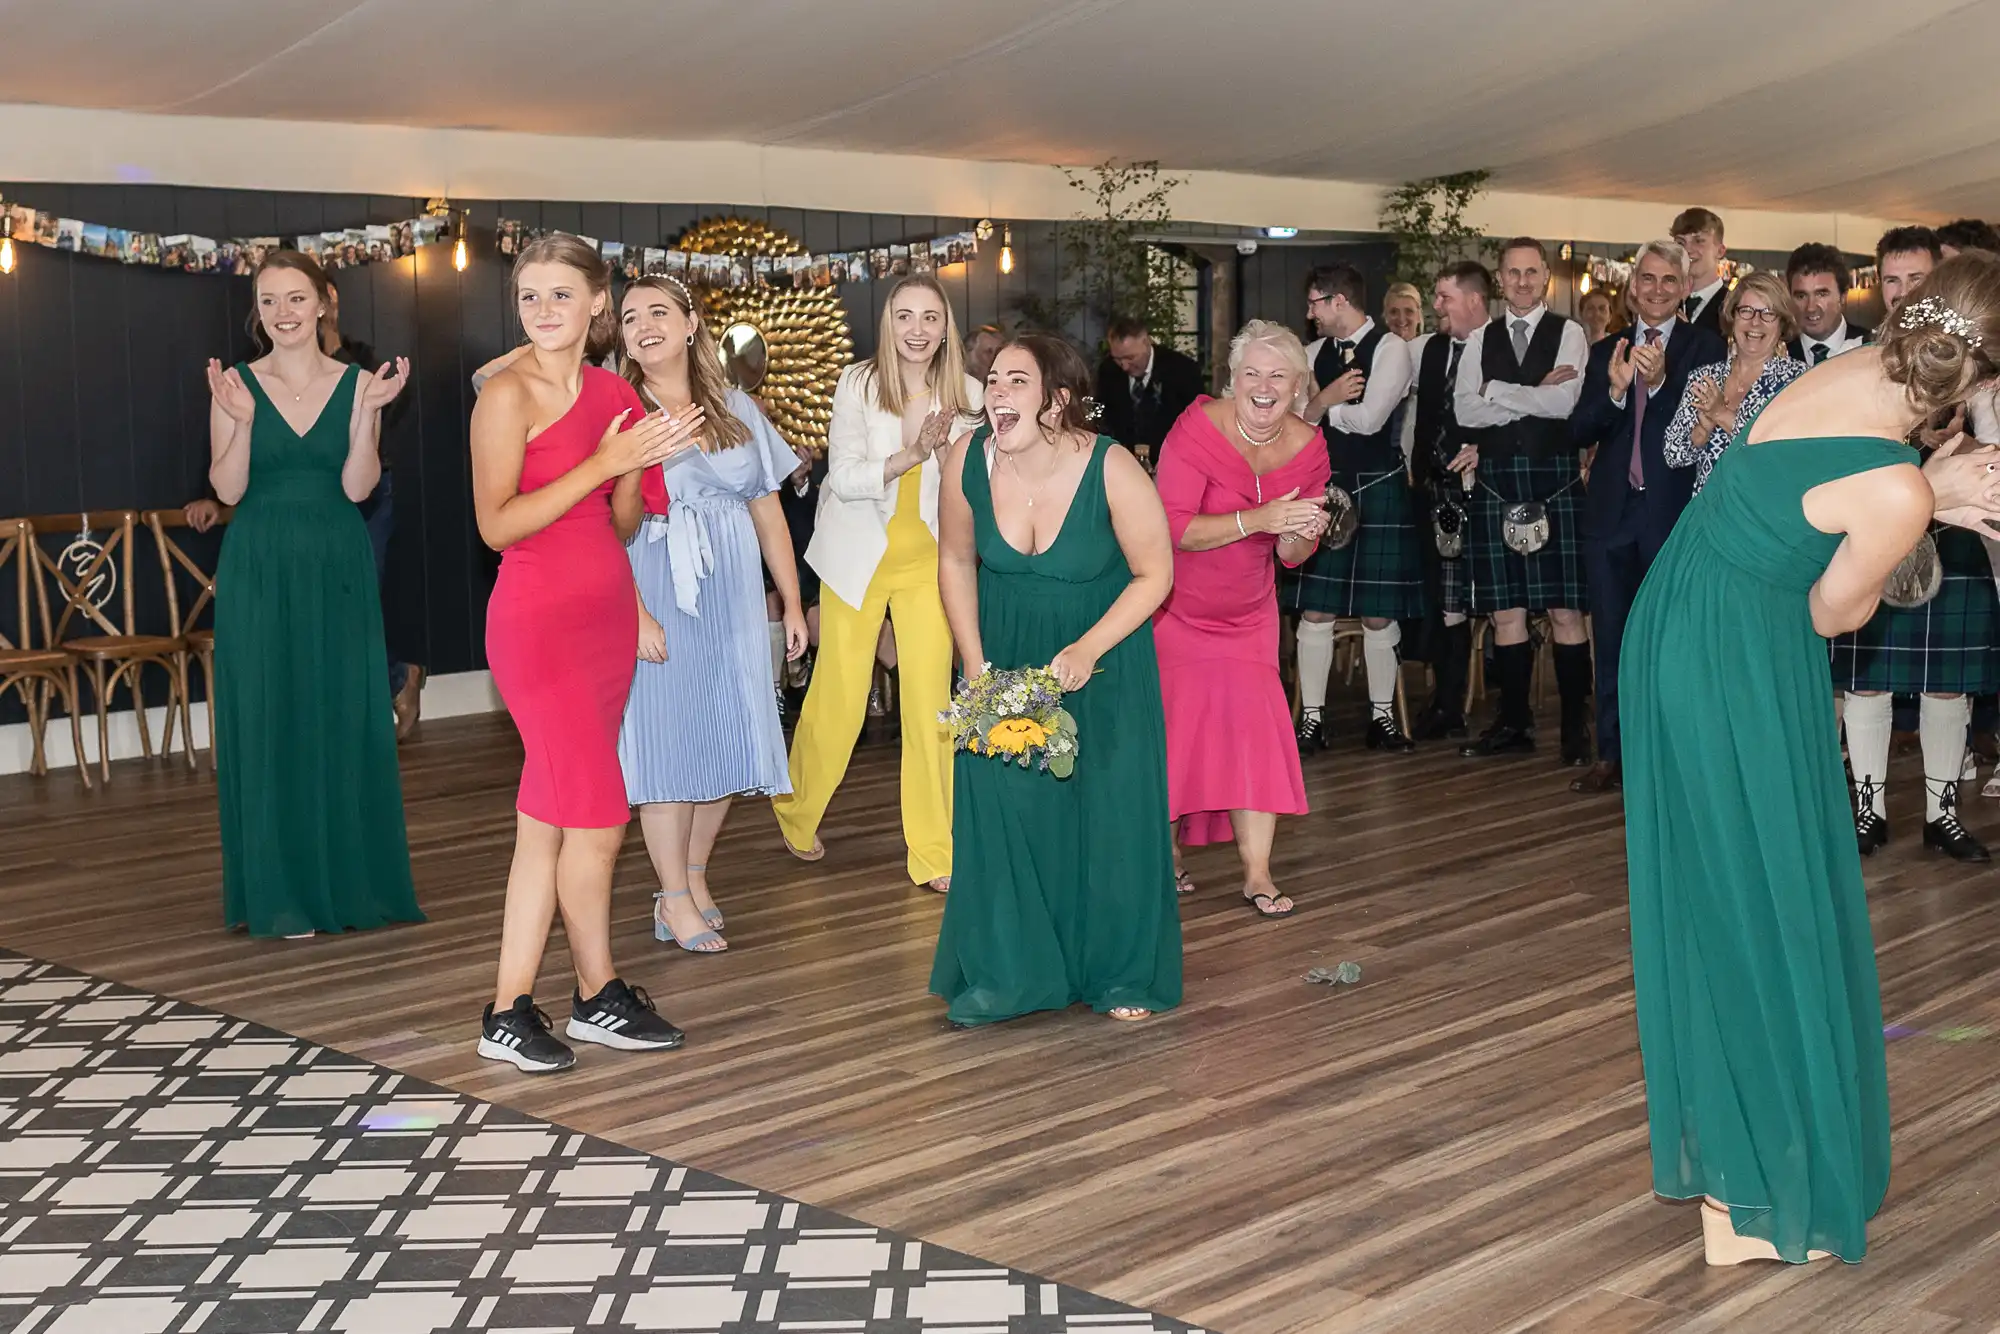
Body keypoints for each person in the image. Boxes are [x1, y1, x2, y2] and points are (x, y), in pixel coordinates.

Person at [1620, 251, 2000, 1265]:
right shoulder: (1893, 486)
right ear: (1977, 379)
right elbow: (1833, 610)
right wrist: (1922, 505)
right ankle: (1749, 1201)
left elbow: (1797, 506)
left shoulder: (1836, 375)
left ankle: (1737, 1173)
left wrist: (1920, 492)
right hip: (1736, 657)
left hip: (1680, 621)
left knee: (1727, 896)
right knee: (1760, 902)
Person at [470, 234, 695, 1074]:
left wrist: (636, 465)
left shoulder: (612, 394)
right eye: (530, 296)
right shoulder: (504, 395)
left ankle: (509, 1010)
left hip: (605, 624)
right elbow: (497, 524)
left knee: (545, 825)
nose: (543, 311)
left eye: (561, 295)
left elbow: (622, 522)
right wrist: (603, 460)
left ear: (599, 301)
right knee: (600, 820)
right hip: (537, 625)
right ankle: (596, 993)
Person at [930, 333, 1182, 1024]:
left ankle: (1122, 974)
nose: (996, 392)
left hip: (1099, 660)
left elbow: (1155, 574)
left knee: (1106, 814)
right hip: (1003, 653)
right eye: (993, 380)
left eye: (1016, 381)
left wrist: (1087, 648)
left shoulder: (1112, 467)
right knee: (1003, 814)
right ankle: (1009, 976)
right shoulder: (965, 460)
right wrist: (973, 660)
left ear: (1057, 401)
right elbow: (955, 561)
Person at [204, 251, 424, 941]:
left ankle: (345, 880)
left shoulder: (360, 384)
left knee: (338, 711)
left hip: (336, 559)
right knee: (270, 713)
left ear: (323, 302)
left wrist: (366, 419)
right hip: (260, 562)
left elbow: (359, 488)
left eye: (295, 299)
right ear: (257, 310)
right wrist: (239, 421)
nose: (283, 314)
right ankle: (279, 891)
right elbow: (229, 491)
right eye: (269, 302)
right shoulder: (234, 384)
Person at [616, 275, 808, 954]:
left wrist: (788, 598)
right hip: (657, 578)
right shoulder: (619, 411)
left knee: (732, 731)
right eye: (630, 316)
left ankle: (694, 875)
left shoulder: (735, 405)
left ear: (693, 322)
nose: (644, 325)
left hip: (732, 588)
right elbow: (605, 524)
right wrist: (635, 614)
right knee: (668, 741)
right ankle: (670, 896)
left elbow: (766, 507)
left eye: (659, 312)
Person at [774, 275, 980, 892]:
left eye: (931, 317)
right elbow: (845, 475)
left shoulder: (969, 392)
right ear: (887, 324)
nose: (918, 330)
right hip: (857, 557)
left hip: (931, 565)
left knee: (929, 704)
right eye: (905, 316)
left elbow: (970, 485)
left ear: (947, 327)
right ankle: (797, 811)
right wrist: (913, 453)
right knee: (839, 694)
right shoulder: (858, 384)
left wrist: (946, 455)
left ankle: (934, 852)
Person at [1831, 226, 1996, 862]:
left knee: (1948, 684)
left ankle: (1942, 815)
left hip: (1953, 532)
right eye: (1891, 280)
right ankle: (1867, 812)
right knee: (1868, 680)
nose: (1902, 294)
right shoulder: (1867, 359)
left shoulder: (1977, 359)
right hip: (1876, 525)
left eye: (1915, 281)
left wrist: (1962, 441)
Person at [1154, 321, 1330, 917]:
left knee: (1255, 736)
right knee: (1177, 737)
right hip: (1176, 609)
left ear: (1298, 386)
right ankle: (1165, 855)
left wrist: (1304, 533)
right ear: (1231, 381)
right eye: (1251, 373)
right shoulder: (1195, 430)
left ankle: (1258, 874)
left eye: (1278, 375)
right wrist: (1262, 518)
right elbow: (1172, 528)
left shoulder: (1310, 448)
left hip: (1250, 612)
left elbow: (1291, 555)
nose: (1264, 385)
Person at [1568, 239, 1728, 791]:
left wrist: (1658, 384)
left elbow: (1693, 430)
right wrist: (1615, 392)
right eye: (1648, 280)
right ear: (1632, 288)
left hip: (1672, 516)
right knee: (1610, 637)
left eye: (1669, 281)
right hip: (1611, 516)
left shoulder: (1706, 348)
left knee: (1672, 642)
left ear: (1684, 289)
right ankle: (1611, 755)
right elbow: (1580, 429)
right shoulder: (1605, 350)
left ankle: (1669, 753)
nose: (1657, 290)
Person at [1449, 237, 1594, 763]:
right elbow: (1466, 413)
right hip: (1495, 483)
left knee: (1564, 611)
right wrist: (1531, 389)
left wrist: (1497, 390)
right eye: (1514, 273)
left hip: (1553, 481)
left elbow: (1564, 403)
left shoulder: (1569, 332)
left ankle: (1576, 728)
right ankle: (1513, 724)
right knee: (1505, 610)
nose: (1524, 282)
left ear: (1546, 278)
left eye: (1533, 272)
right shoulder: (1478, 339)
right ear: (1499, 279)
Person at [1287, 265, 1422, 752]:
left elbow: (1368, 421)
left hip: (1379, 487)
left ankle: (1382, 718)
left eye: (1315, 303)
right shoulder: (1311, 354)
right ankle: (1313, 721)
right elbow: (1292, 417)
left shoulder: (1392, 349)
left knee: (1379, 613)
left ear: (1339, 301)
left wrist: (1318, 409)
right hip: (1321, 489)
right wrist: (1323, 400)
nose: (1310, 313)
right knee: (1316, 608)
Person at [1406, 262, 1494, 741]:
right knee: (1445, 601)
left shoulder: (1502, 347)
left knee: (1493, 603)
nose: (1435, 306)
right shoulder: (1433, 347)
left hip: (1485, 490)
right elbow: (1425, 417)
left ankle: (1494, 705)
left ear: (1474, 300)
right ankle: (1447, 704)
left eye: (1444, 297)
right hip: (1435, 491)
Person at [1664, 272, 1808, 493]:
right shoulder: (1705, 377)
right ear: (1732, 318)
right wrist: (1702, 431)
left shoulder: (1798, 380)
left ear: (1782, 324)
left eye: (1768, 313)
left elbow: (1783, 456)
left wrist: (1722, 413)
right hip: (1709, 516)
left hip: (1765, 519)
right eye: (1746, 311)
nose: (1755, 322)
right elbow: (1673, 456)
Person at [1095, 315, 1204, 469]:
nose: (1124, 366)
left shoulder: (1183, 370)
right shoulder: (1108, 371)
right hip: (1123, 466)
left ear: (1146, 342)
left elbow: (1197, 424)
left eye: (1130, 357)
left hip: (1173, 464)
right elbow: (1103, 417)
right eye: (1118, 359)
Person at [1785, 243, 1871, 365]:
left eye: (1821, 294)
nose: (1811, 307)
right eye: (1801, 296)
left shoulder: (1872, 348)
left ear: (1842, 296)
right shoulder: (1779, 353)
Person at [1670, 207, 1729, 336]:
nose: (1688, 250)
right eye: (1681, 242)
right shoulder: (1667, 302)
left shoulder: (1732, 305)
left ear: (1720, 251)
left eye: (1699, 241)